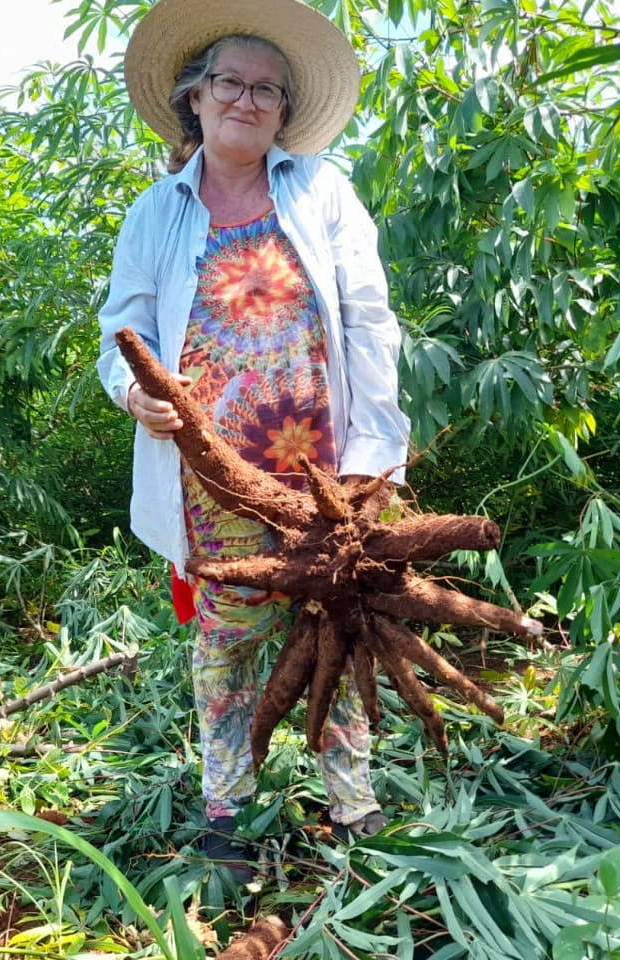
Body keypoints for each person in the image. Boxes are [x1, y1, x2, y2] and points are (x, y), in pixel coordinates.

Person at [96, 0, 411, 882]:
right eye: (230, 82)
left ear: (282, 111)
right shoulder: (156, 212)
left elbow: (368, 321)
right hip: (213, 480)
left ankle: (353, 804)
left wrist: (374, 455)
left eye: (266, 89)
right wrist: (134, 394)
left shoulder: (322, 190)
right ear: (195, 98)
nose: (247, 98)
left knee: (337, 623)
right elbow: (120, 330)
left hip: (324, 473)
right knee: (227, 641)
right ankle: (227, 813)